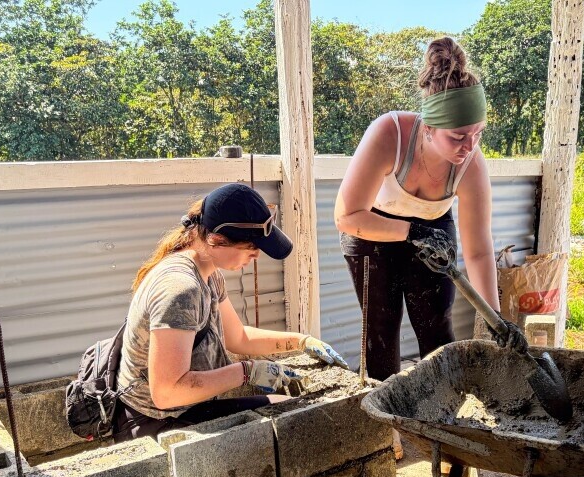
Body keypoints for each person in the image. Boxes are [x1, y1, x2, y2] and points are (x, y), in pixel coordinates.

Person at [334, 36, 528, 384]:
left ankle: (442, 420)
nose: (469, 147)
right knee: (380, 338)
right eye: (458, 137)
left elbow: (481, 251)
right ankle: (387, 427)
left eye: (478, 134)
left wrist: (495, 320)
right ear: (430, 127)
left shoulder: (471, 164)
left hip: (434, 228)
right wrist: (410, 231)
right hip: (372, 230)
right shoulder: (389, 134)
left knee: (437, 331)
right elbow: (346, 217)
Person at [113, 183, 348, 442]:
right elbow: (167, 392)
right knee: (289, 413)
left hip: (185, 406)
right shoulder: (181, 289)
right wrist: (247, 371)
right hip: (157, 419)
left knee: (288, 406)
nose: (257, 256)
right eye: (251, 247)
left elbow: (238, 337)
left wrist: (301, 341)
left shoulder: (208, 273)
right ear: (216, 240)